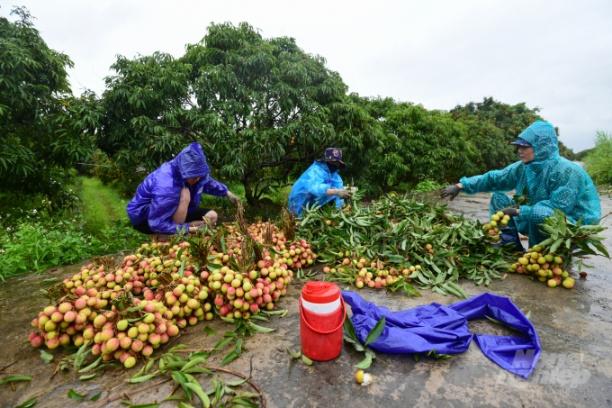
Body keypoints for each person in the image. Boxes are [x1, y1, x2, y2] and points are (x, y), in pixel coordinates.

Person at [440, 120, 601, 249]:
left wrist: (518, 211)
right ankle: (510, 245)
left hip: (572, 224)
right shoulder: (524, 167)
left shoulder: (567, 171)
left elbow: (558, 210)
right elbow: (495, 178)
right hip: (537, 214)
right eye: (518, 146)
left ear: (542, 147)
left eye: (524, 146)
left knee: (539, 213)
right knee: (499, 199)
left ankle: (544, 252)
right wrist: (461, 185)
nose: (519, 150)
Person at [127, 142, 240, 235]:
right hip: (145, 217)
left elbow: (207, 182)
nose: (197, 179)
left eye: (199, 175)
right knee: (185, 194)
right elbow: (157, 222)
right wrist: (189, 229)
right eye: (194, 177)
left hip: (173, 209)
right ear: (183, 171)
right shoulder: (166, 185)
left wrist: (227, 192)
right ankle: (169, 235)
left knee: (211, 217)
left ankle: (179, 231)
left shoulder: (195, 174)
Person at [288, 148, 352, 217]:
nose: (335, 165)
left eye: (336, 163)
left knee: (312, 219)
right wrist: (336, 191)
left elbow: (339, 189)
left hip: (314, 202)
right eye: (332, 162)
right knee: (297, 220)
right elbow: (315, 188)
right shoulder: (315, 171)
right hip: (300, 199)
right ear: (326, 161)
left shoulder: (334, 175)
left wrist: (340, 209)